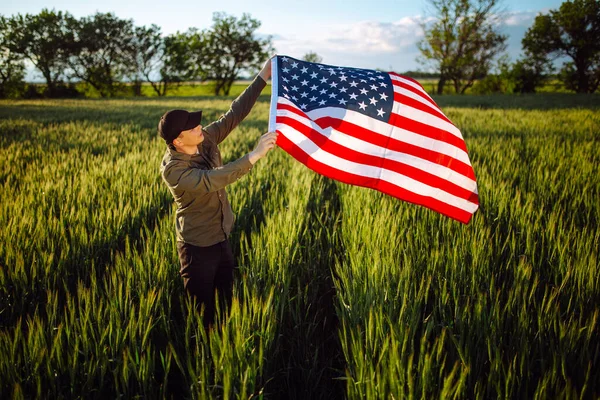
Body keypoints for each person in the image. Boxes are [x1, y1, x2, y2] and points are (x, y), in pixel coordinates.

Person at [158, 57, 278, 329]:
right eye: (192, 127)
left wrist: (263, 75)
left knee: (226, 303)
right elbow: (211, 180)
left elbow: (234, 114)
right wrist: (254, 155)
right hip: (197, 248)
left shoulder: (205, 139)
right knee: (203, 317)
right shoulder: (173, 170)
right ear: (178, 140)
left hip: (222, 237)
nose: (200, 127)